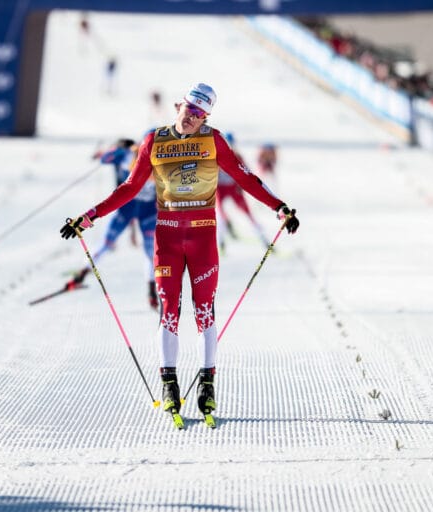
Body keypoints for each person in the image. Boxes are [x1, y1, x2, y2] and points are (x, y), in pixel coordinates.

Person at [60, 83, 299, 418]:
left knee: (204, 313)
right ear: (179, 107)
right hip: (168, 239)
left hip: (203, 240)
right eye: (189, 110)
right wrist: (89, 217)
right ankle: (169, 383)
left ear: (206, 118)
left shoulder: (214, 141)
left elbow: (245, 178)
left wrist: (279, 207)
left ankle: (207, 384)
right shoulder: (154, 141)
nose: (192, 118)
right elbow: (129, 188)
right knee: (169, 310)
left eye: (200, 114)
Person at [71, 138, 159, 309]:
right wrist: (109, 152)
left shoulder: (137, 157)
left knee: (148, 251)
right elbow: (106, 158)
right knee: (109, 243)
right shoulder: (126, 156)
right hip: (130, 210)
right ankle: (80, 276)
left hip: (143, 211)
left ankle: (151, 293)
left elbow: (107, 158)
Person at [215, 132, 270, 252]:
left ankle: (265, 240)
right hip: (221, 189)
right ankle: (221, 244)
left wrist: (243, 185)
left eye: (231, 145)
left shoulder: (238, 157)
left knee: (248, 213)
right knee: (219, 215)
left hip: (234, 188)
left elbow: (247, 173)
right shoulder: (216, 156)